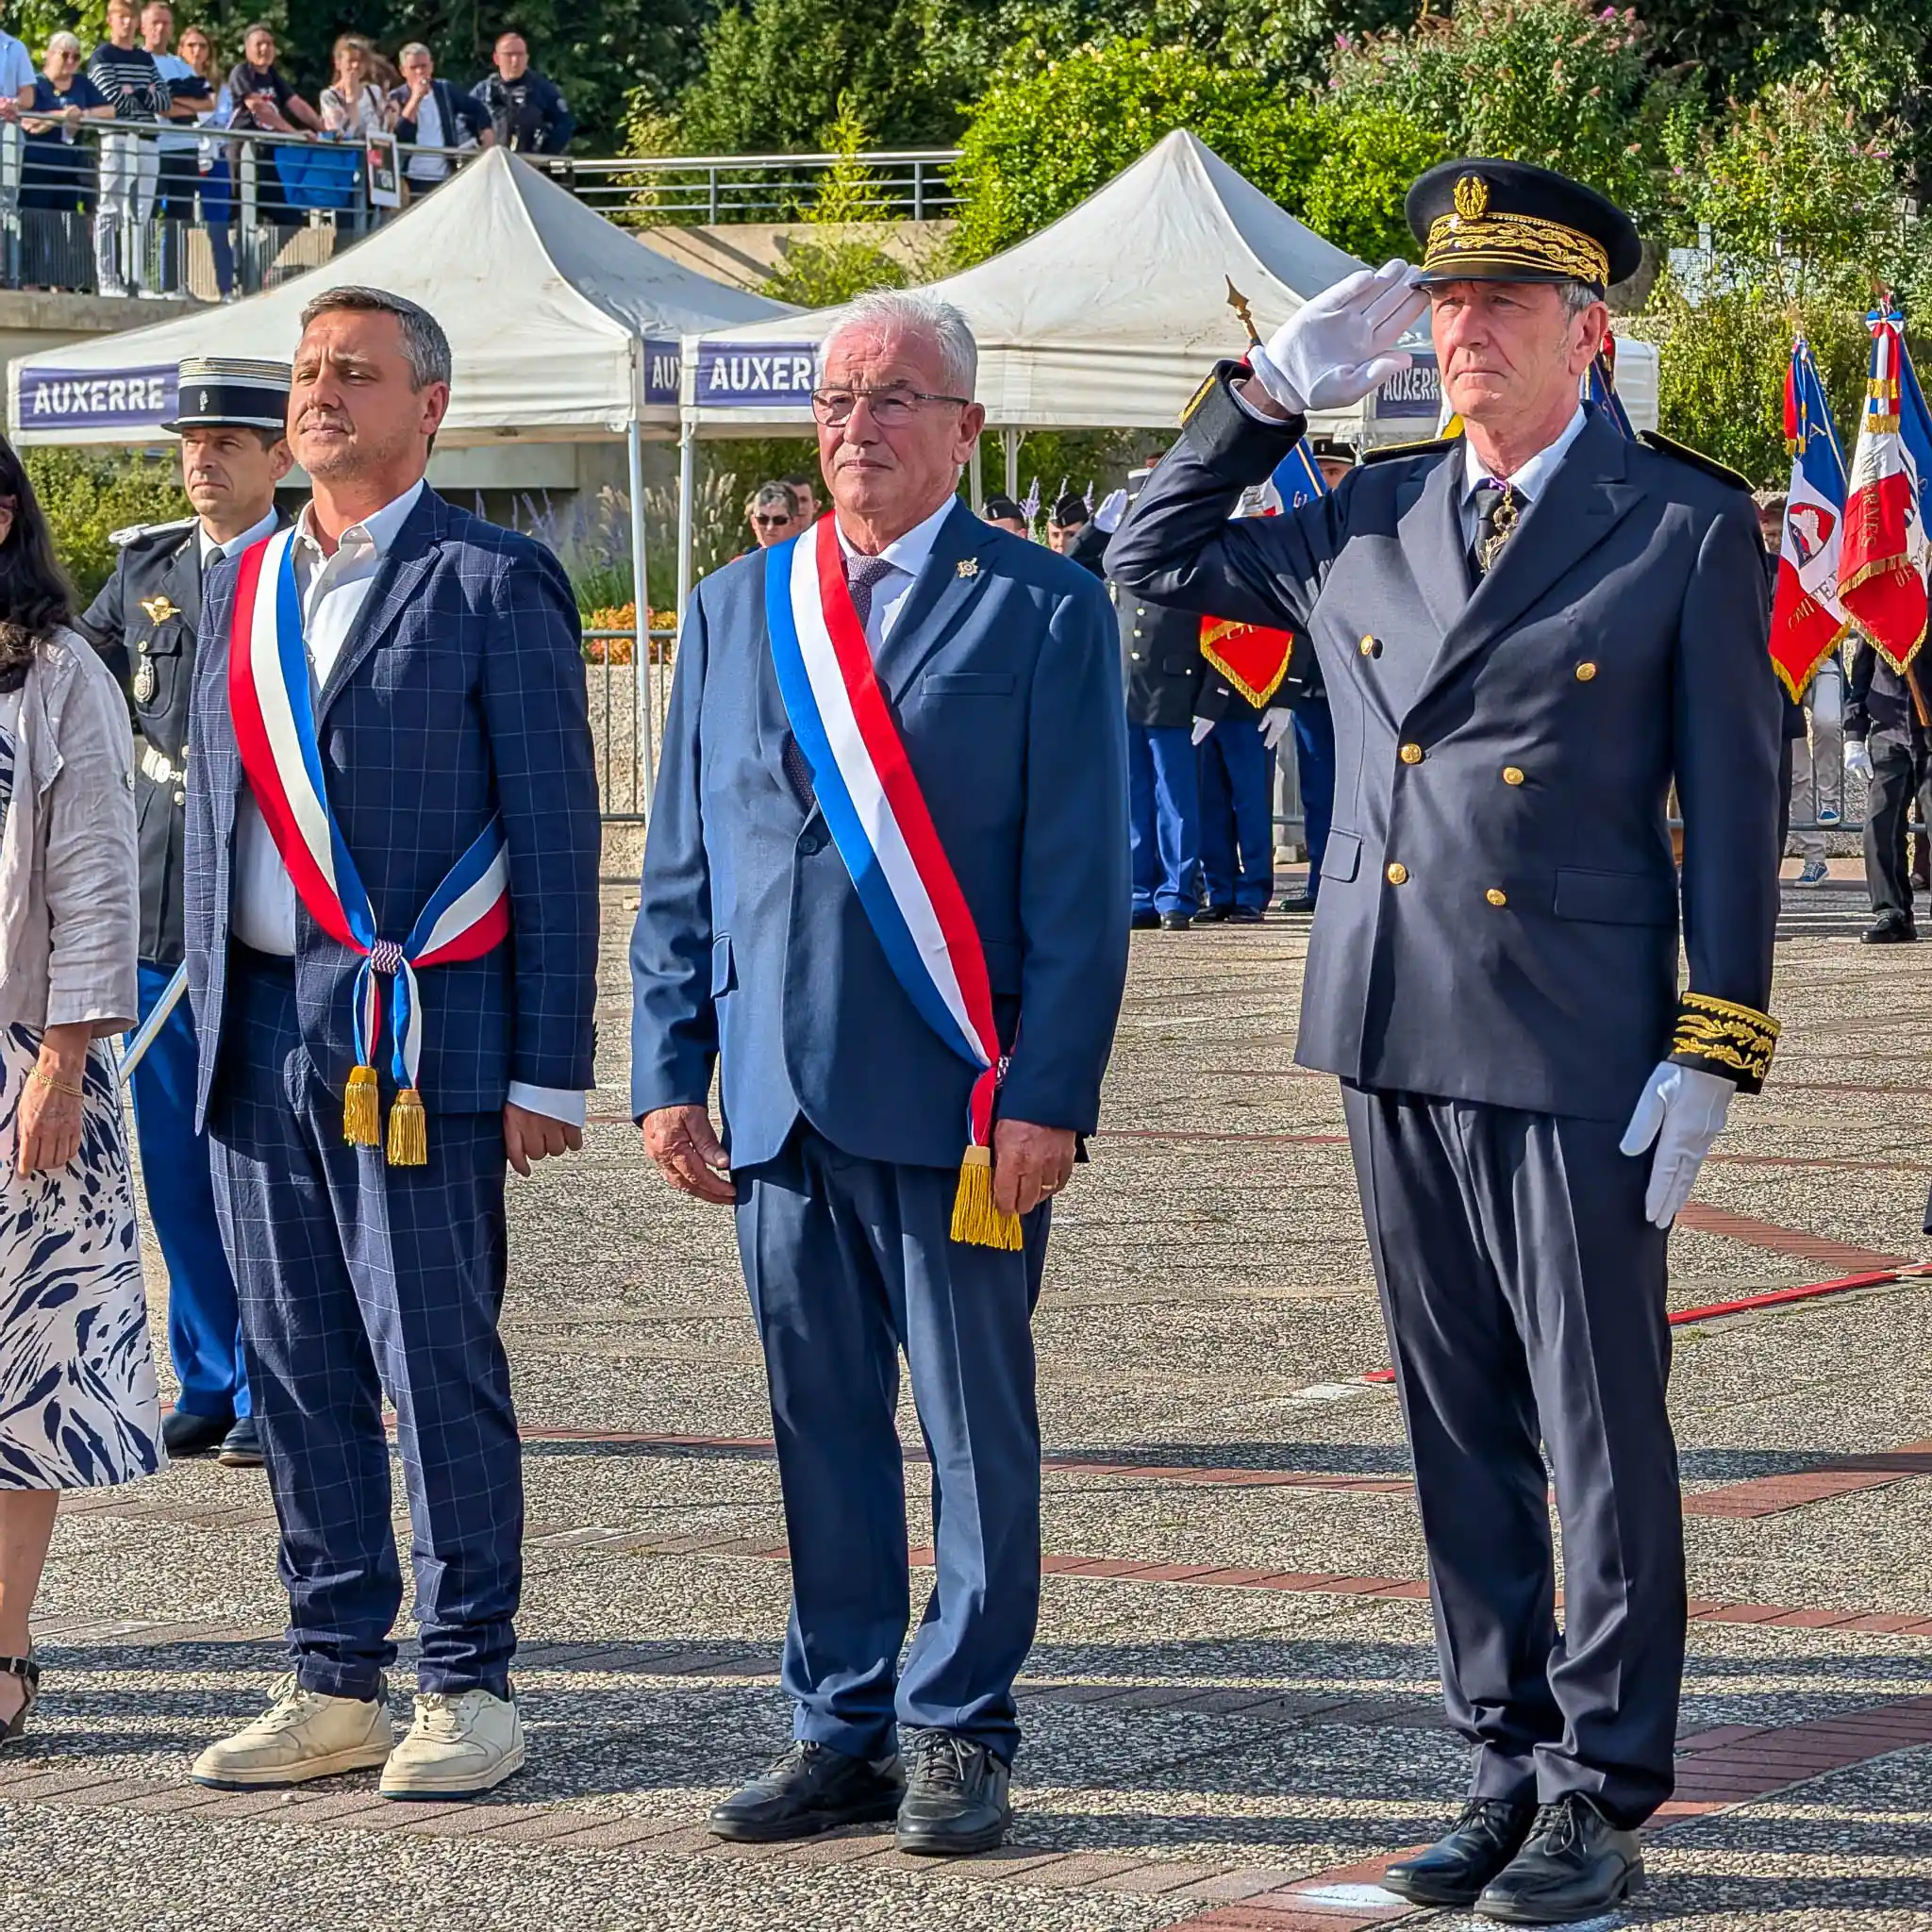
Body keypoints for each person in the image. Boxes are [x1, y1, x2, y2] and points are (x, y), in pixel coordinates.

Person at [1108, 159, 1781, 1924]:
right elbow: (1144, 554)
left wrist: (1716, 1038)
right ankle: (1498, 1756)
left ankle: (1599, 1783)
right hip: (1391, 1018)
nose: (1459, 329)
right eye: (1443, 302)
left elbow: (1731, 792)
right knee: (1455, 1418)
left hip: (1572, 1040)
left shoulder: (1677, 526)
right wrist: (1263, 398)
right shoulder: (1362, 515)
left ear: (1590, 334)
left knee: (1595, 1422)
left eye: (1500, 303)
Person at [632, 289, 1128, 1857]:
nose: (859, 426)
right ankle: (837, 1719)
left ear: (965, 428)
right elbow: (683, 859)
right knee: (816, 1420)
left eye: (895, 398)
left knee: (974, 1427)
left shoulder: (1041, 608)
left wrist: (1048, 1089)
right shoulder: (734, 606)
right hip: (775, 1103)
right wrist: (668, 1064)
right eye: (838, 400)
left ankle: (960, 1724)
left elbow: (1074, 879)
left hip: (961, 1106)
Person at [183, 287, 600, 1799]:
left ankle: (470, 1678)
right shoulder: (239, 585)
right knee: (292, 1363)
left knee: (434, 1357)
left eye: (351, 373)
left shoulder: (493, 580)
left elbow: (557, 840)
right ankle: (334, 1674)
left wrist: (549, 1067)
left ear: (430, 405)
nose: (316, 395)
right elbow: (209, 825)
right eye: (305, 372)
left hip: (419, 1036)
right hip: (256, 1030)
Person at [78, 357, 293, 1470]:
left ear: (278, 458)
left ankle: (274, 1378)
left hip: (261, 928)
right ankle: (209, 1373)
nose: (202, 459)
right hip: (158, 920)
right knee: (171, 1162)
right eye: (191, 443)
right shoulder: (148, 569)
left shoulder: (306, 569)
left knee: (259, 1164)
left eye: (226, 443)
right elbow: (85, 686)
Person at [0, 433, 159, 1749]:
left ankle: (3, 1650)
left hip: (23, 1065)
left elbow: (100, 881)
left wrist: (64, 1061)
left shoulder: (58, 675)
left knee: (20, 1377)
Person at [1277, 437, 1352, 913]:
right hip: (1311, 683)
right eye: (1319, 472)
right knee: (1318, 789)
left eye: (1333, 474)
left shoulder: (1369, 526)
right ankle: (1321, 880)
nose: (1323, 483)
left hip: (1359, 682)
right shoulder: (1306, 536)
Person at [1124, 565, 1207, 932]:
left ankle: (1176, 895)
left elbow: (1213, 640)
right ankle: (1138, 894)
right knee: (1133, 803)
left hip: (1174, 700)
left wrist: (1209, 703)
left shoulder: (1186, 573)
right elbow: (1077, 561)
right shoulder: (1119, 570)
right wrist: (1099, 530)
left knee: (1176, 803)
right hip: (1125, 701)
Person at [1844, 635, 1932, 942]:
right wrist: (1854, 732)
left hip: (1929, 722)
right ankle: (1892, 913)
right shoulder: (1880, 594)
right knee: (1879, 824)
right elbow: (1862, 671)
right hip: (1888, 726)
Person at [88, 0, 170, 298]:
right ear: (110, 20)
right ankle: (108, 279)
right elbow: (113, 101)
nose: (126, 23)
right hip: (116, 138)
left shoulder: (145, 59)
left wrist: (134, 94)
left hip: (148, 140)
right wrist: (142, 95)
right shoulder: (101, 56)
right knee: (110, 207)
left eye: (130, 17)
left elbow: (164, 101)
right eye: (120, 17)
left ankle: (137, 279)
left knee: (141, 212)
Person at [20, 33, 112, 290]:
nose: (70, 61)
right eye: (65, 54)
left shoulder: (82, 84)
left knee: (65, 226)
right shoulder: (36, 84)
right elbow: (28, 122)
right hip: (38, 167)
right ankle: (32, 283)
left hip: (69, 166)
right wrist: (62, 115)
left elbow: (110, 110)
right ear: (49, 55)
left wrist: (82, 114)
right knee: (36, 226)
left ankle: (61, 284)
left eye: (76, 56)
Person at [225, 22, 322, 237]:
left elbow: (296, 104)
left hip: (268, 155)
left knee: (291, 220)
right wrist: (293, 133)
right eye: (259, 44)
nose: (265, 49)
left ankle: (263, 265)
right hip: (244, 152)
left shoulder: (274, 77)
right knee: (239, 215)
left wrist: (324, 128)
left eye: (269, 44)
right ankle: (237, 265)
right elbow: (258, 108)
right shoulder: (241, 72)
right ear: (247, 48)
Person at [139, 2, 208, 294]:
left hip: (185, 149)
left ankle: (175, 283)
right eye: (155, 22)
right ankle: (145, 281)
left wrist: (170, 103)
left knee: (180, 218)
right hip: (154, 148)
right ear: (143, 27)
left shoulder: (180, 65)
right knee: (148, 216)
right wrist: (180, 105)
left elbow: (206, 103)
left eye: (166, 23)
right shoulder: (136, 61)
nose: (160, 29)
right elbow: (153, 105)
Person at [174, 25, 233, 299]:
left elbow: (220, 119)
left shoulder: (220, 85)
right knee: (177, 222)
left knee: (218, 226)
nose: (197, 51)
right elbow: (169, 114)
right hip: (181, 154)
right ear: (181, 50)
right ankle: (174, 285)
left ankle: (226, 288)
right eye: (191, 46)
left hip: (214, 158)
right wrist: (196, 109)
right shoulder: (171, 79)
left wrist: (188, 111)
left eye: (202, 46)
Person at [390, 42, 491, 195]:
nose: (420, 72)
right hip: (410, 177)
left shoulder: (445, 90)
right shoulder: (396, 97)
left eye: (424, 66)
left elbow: (477, 108)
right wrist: (415, 98)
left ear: (431, 67)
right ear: (403, 71)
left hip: (444, 175)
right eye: (413, 68)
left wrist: (486, 130)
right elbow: (400, 134)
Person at [473, 33, 573, 155]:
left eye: (520, 55)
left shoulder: (542, 89)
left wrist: (545, 154)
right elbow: (462, 122)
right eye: (509, 55)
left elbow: (564, 124)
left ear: (527, 58)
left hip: (531, 164)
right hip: (491, 162)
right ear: (497, 59)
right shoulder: (483, 91)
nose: (515, 61)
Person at [318, 34, 390, 138]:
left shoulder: (374, 92)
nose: (356, 65)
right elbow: (338, 134)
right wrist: (351, 98)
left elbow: (381, 128)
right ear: (338, 63)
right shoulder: (330, 96)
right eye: (351, 61)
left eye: (361, 61)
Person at [744, 479, 801, 549]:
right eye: (762, 519)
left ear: (794, 523)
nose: (770, 527)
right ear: (754, 522)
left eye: (779, 520)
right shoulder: (743, 560)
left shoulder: (810, 558)